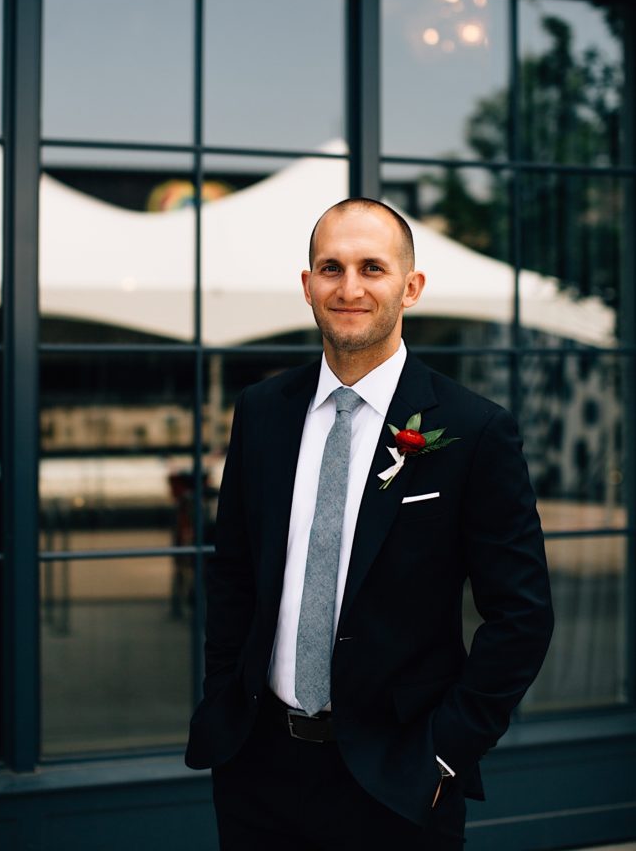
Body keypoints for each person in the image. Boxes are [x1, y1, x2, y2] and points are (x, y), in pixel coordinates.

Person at [186, 198, 554, 850]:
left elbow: (521, 615)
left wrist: (443, 753)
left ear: (409, 287)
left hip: (397, 780)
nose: (348, 287)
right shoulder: (262, 410)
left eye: (371, 268)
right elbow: (234, 576)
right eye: (330, 267)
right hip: (257, 768)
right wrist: (224, 702)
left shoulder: (472, 430)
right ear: (307, 286)